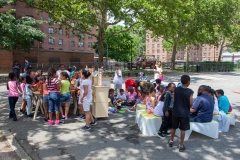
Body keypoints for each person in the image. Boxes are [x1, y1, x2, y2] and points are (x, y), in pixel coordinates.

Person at [169, 75, 193, 152]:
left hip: (176, 112)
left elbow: (173, 99)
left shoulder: (176, 90)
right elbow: (191, 103)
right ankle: (181, 145)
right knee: (183, 129)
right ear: (188, 82)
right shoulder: (190, 91)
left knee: (173, 127)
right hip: (185, 113)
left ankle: (171, 141)